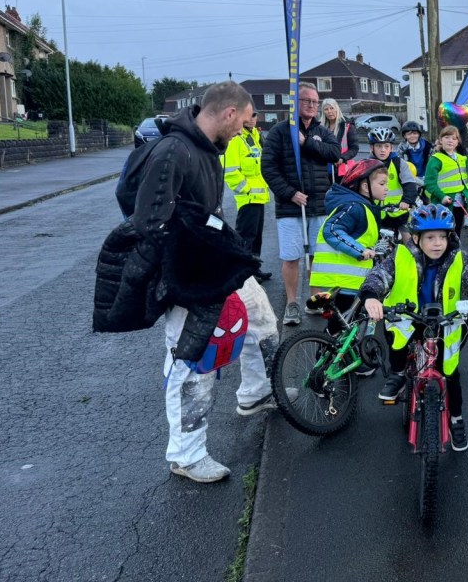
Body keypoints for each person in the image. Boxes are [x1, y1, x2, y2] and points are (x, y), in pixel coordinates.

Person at [131, 81, 274, 484]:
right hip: (189, 277)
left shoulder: (209, 149)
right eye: (244, 122)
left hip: (215, 263)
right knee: (193, 360)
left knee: (261, 320)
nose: (245, 130)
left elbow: (204, 213)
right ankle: (187, 455)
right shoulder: (173, 151)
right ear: (229, 113)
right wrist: (183, 277)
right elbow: (149, 223)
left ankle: (258, 391)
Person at [360, 204, 468, 452]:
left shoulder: (458, 258)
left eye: (442, 237)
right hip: (410, 317)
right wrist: (371, 297)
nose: (437, 243)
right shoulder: (401, 255)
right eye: (430, 237)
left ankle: (456, 419)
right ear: (416, 238)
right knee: (398, 338)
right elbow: (379, 275)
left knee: (450, 372)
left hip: (445, 320)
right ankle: (398, 374)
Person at [261, 82, 344, 326]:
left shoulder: (321, 131)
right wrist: (290, 193)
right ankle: (292, 303)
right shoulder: (279, 132)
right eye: (306, 100)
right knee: (291, 257)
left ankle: (314, 300)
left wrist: (306, 143)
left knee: (316, 256)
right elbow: (268, 167)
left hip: (318, 205)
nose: (312, 105)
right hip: (290, 207)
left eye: (315, 101)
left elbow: (334, 153)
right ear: (295, 103)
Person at [309, 158, 390, 335]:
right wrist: (360, 251)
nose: (387, 188)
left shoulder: (364, 207)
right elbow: (332, 230)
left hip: (349, 280)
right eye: (382, 184)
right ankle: (326, 352)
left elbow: (360, 236)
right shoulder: (354, 207)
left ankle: (331, 349)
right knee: (339, 328)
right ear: (365, 187)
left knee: (345, 327)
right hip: (342, 281)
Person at [221, 108, 272, 283]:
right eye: (248, 116)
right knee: (246, 237)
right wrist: (246, 189)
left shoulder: (254, 137)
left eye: (254, 115)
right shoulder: (236, 139)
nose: (252, 119)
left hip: (259, 197)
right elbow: (230, 171)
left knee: (256, 237)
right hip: (248, 198)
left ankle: (254, 269)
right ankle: (244, 274)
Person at [367, 126, 419, 233]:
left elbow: (409, 183)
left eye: (386, 146)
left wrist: (407, 200)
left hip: (398, 211)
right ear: (372, 147)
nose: (383, 150)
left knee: (407, 237)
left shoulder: (399, 163)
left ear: (391, 148)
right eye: (378, 146)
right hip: (376, 212)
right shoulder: (366, 165)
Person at [424, 125, 468, 237]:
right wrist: (442, 196)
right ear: (440, 140)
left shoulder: (462, 158)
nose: (450, 141)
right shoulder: (436, 159)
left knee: (457, 232)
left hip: (460, 203)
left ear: (457, 142)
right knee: (443, 233)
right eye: (447, 137)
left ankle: (456, 247)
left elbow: (464, 178)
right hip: (444, 203)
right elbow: (429, 183)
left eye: (454, 138)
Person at [319, 98, 359, 181]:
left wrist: (342, 158)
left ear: (337, 108)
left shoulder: (347, 125)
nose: (329, 111)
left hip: (344, 171)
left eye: (332, 108)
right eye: (326, 109)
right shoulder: (320, 127)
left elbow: (354, 148)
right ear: (323, 112)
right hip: (325, 170)